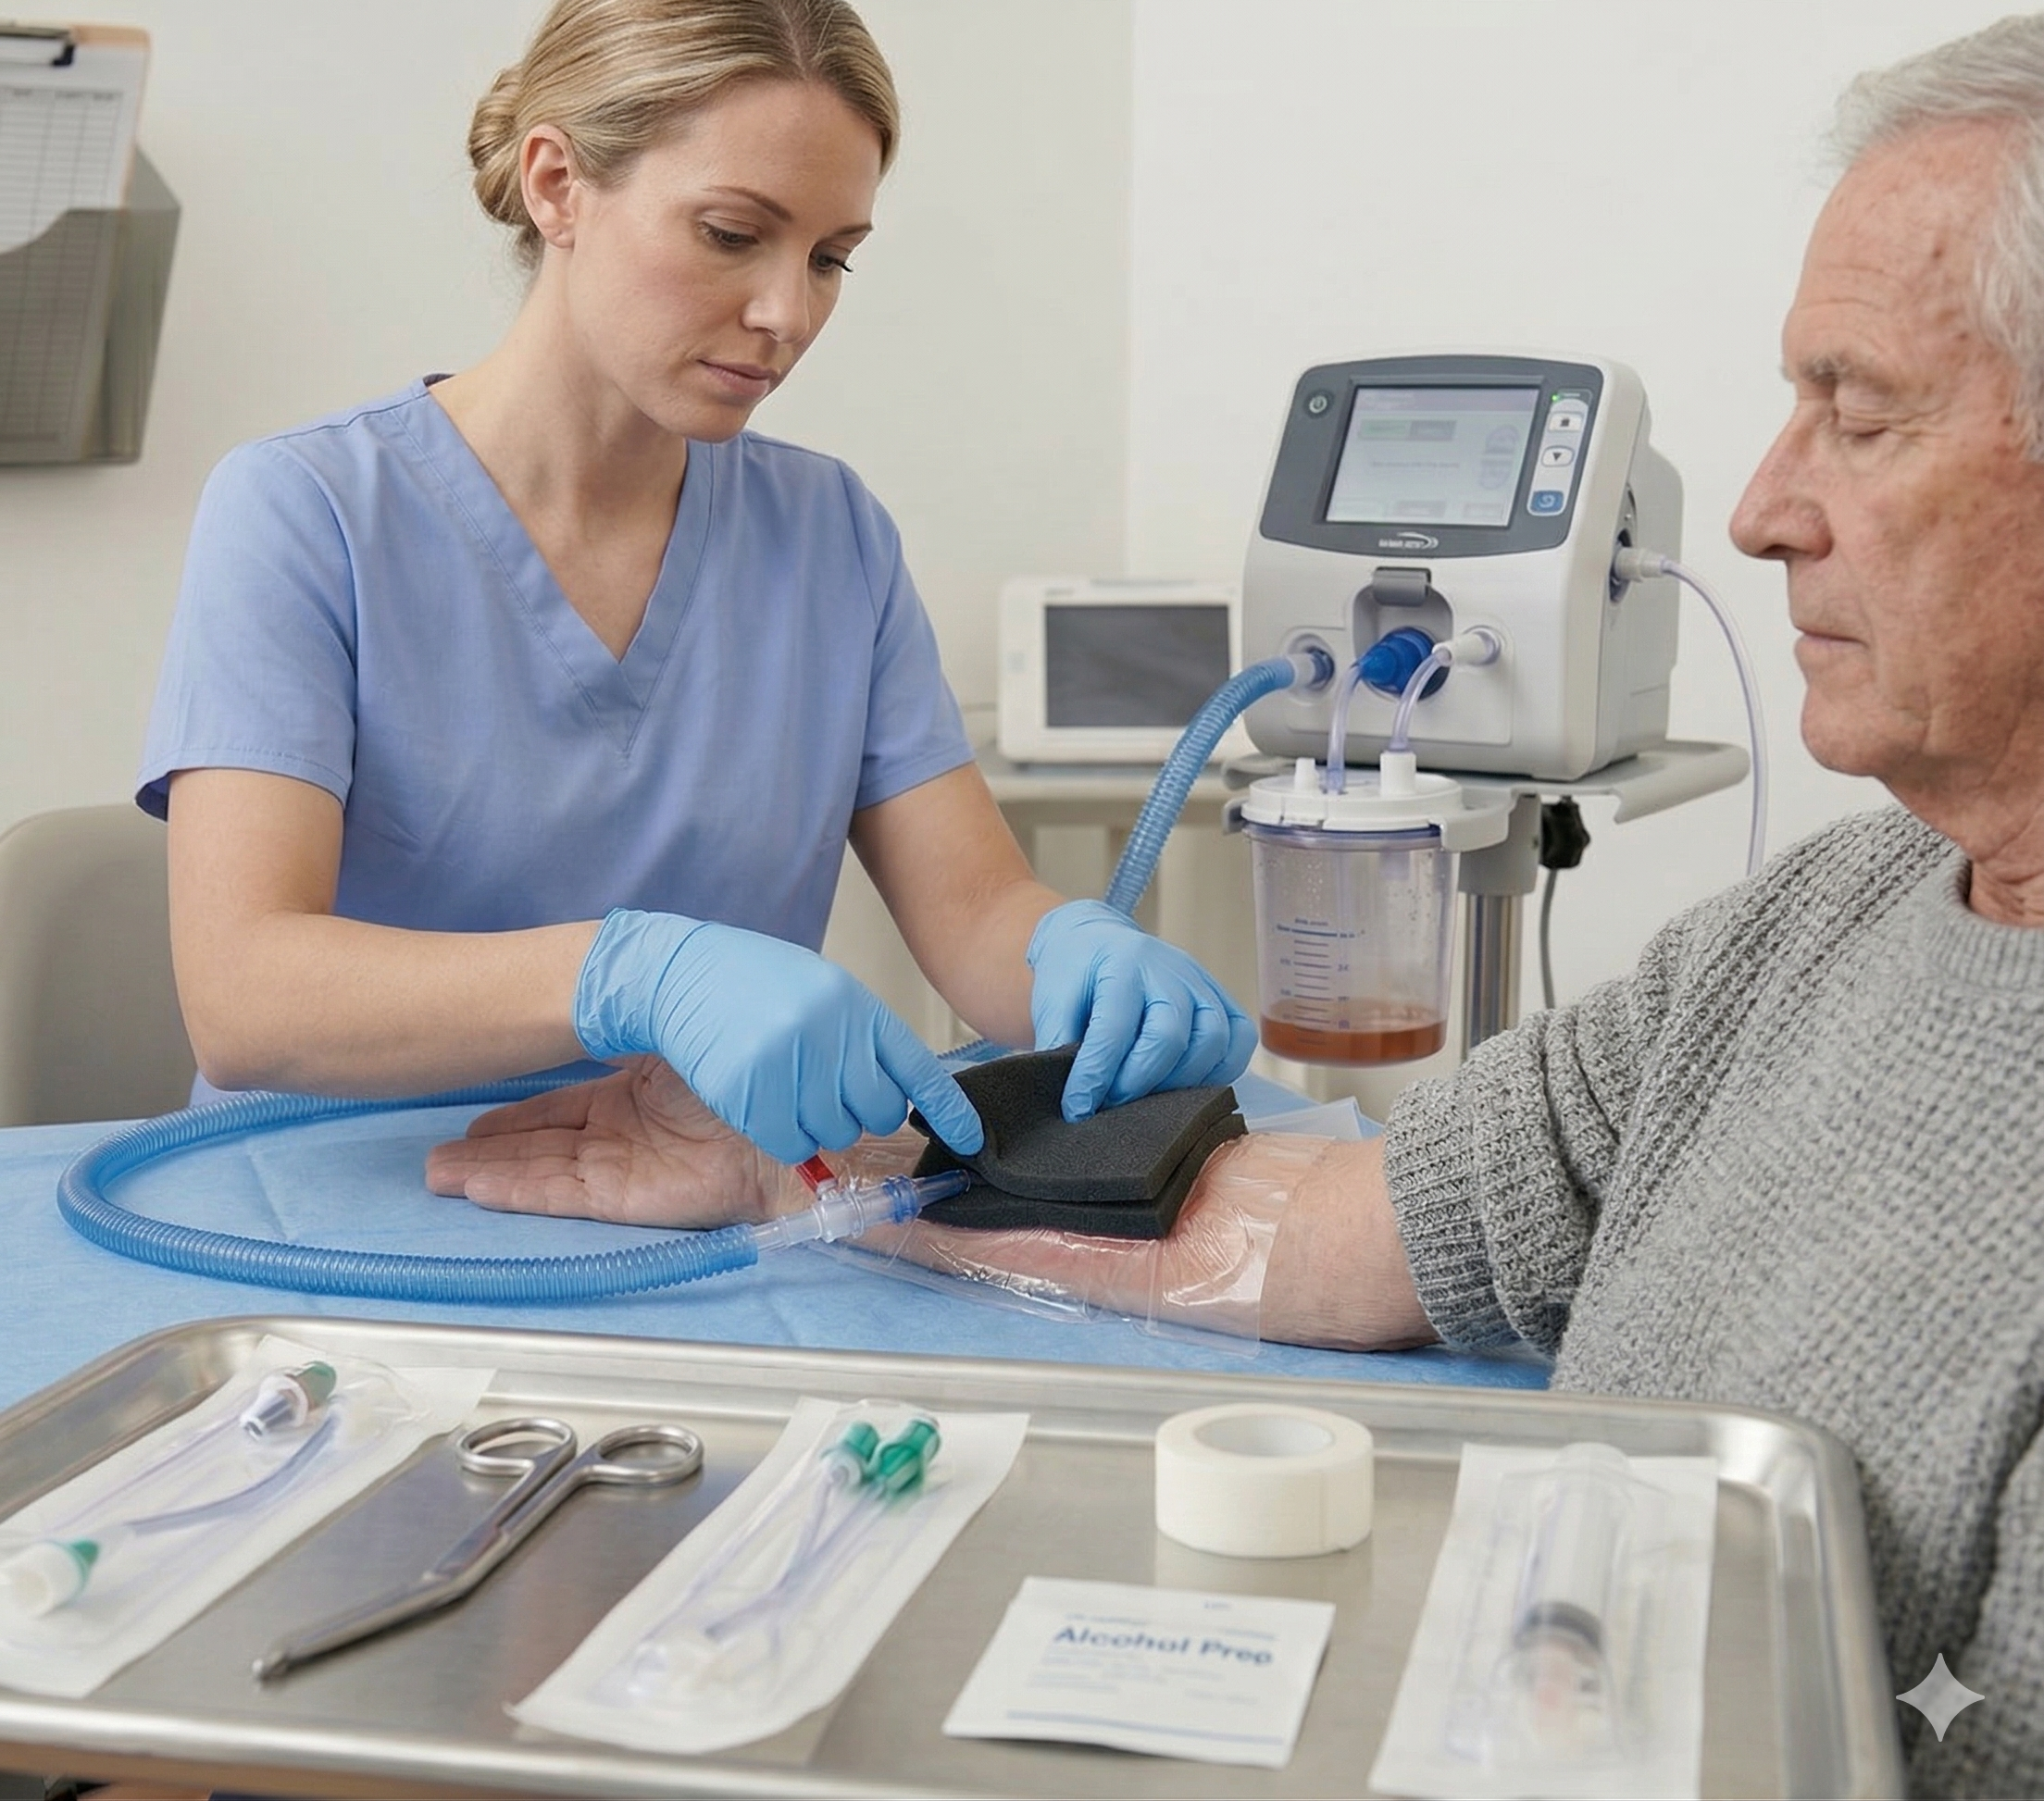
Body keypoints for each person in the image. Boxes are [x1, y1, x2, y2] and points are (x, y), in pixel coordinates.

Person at [428, 15, 2044, 1795]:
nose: (1756, 511)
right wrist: (806, 1172)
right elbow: (1346, 1224)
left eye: (1860, 415)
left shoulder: (821, 536)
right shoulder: (1814, 928)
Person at [136, 0, 1254, 1172]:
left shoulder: (830, 536)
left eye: (830, 259)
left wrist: (1082, 966)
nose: (790, 314)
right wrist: (631, 973)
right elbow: (244, 993)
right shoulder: (308, 510)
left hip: (691, 1200)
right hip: (328, 1209)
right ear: (558, 184)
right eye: (731, 233)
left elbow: (975, 912)